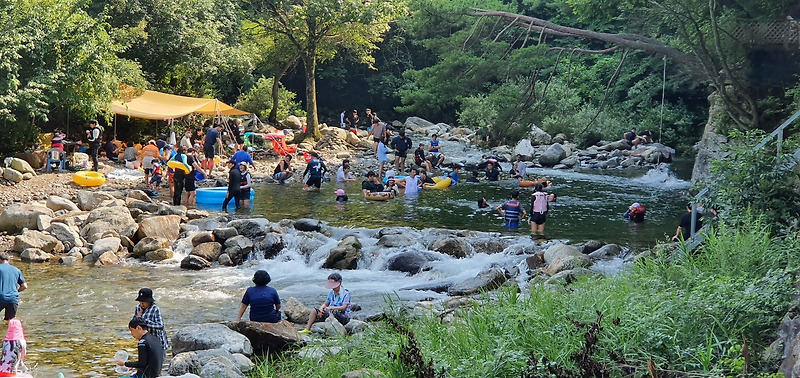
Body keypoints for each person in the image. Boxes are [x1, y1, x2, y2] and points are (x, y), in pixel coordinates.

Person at [132, 288, 169, 354]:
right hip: (145, 343)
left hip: (158, 344)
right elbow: (134, 323)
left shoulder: (155, 309)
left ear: (149, 301)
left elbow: (160, 326)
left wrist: (143, 321)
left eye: (144, 301)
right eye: (140, 301)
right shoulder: (138, 308)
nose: (141, 303)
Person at [0, 253, 26, 321]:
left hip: (0, 297)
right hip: (13, 298)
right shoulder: (16, 270)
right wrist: (16, 291)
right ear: (9, 260)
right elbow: (24, 286)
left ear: (0, 260)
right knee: (9, 321)